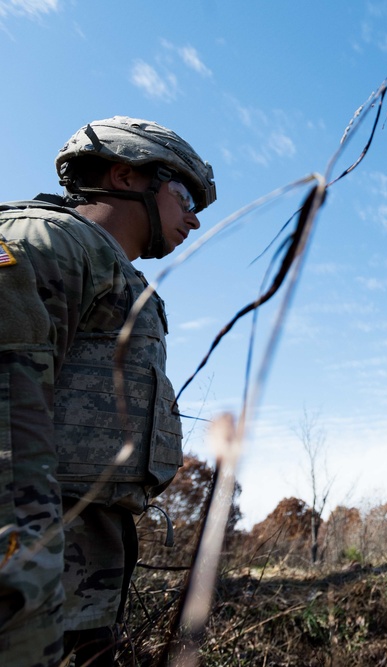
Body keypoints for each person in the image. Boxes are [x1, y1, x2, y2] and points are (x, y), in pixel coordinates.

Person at [0, 116, 216, 667]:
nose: (193, 217)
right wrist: (22, 589)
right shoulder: (45, 241)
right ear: (126, 175)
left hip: (83, 577)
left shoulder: (109, 267)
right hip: (29, 581)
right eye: (186, 194)